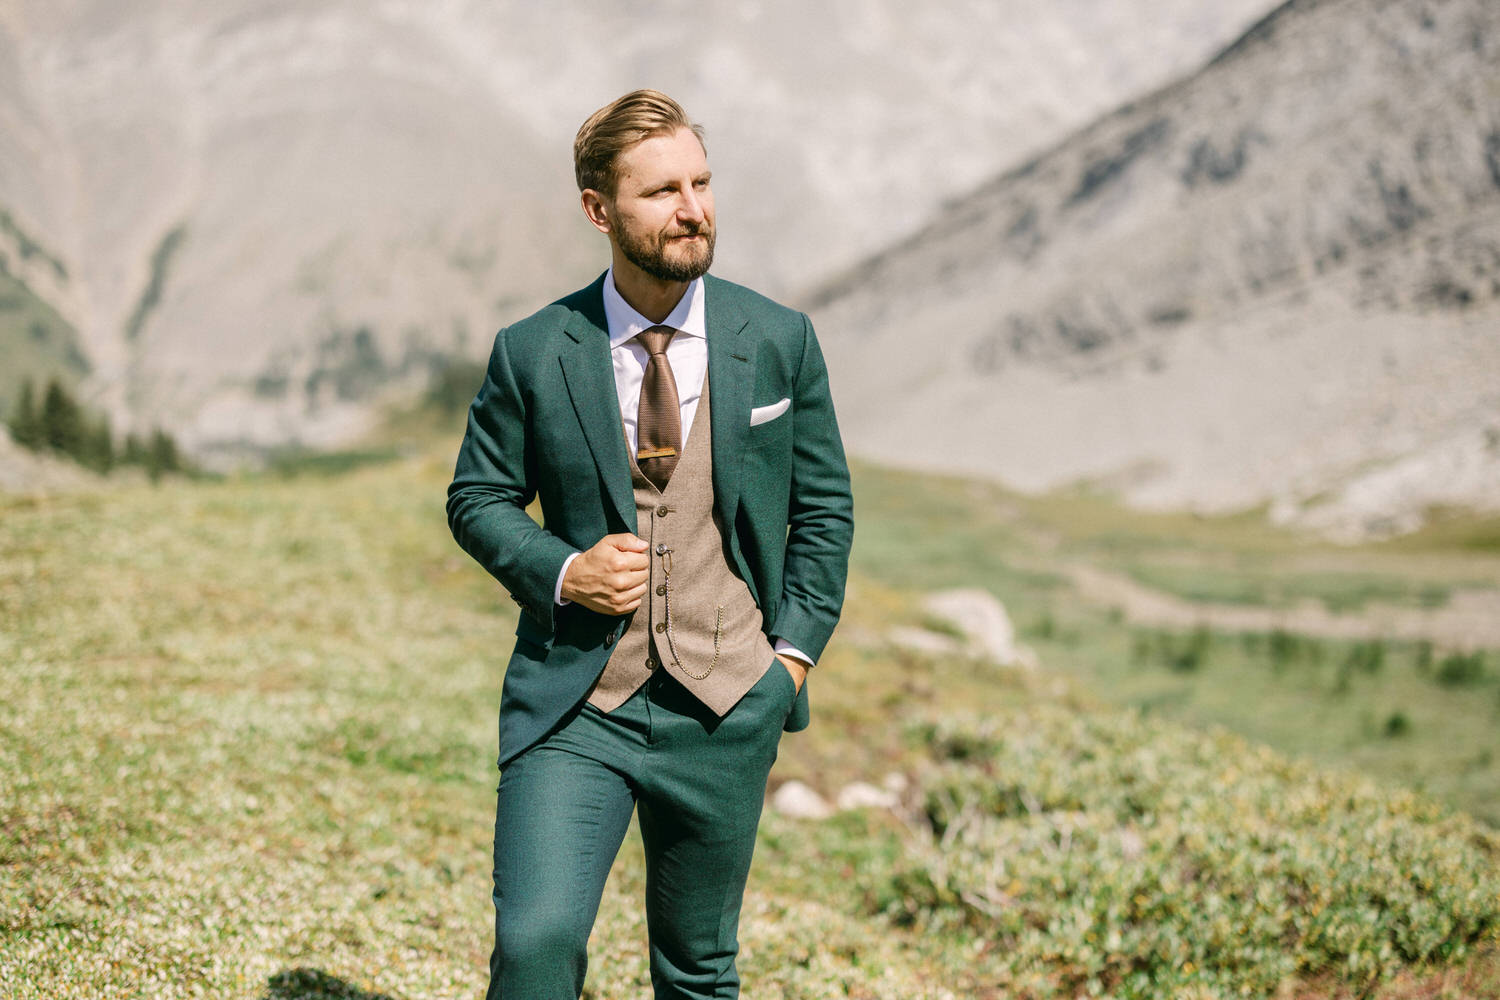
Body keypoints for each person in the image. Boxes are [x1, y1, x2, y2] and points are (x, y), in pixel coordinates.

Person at [446, 89, 854, 999]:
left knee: (698, 972)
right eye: (662, 190)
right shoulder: (535, 348)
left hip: (729, 704)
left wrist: (787, 663)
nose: (694, 209)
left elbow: (824, 512)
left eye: (702, 182)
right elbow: (477, 498)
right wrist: (563, 569)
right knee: (536, 944)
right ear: (600, 211)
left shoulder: (779, 339)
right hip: (578, 705)